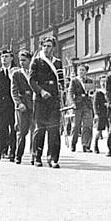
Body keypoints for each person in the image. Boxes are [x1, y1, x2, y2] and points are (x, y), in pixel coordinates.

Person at [29, 36, 63, 168]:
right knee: (40, 129)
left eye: (49, 46)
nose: (46, 49)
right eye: (44, 46)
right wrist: (41, 91)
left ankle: (53, 158)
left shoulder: (58, 62)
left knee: (54, 129)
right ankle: (37, 156)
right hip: (40, 100)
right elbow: (31, 80)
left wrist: (62, 97)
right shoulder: (37, 61)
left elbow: (61, 81)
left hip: (54, 99)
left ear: (53, 47)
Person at [0, 49, 17, 161]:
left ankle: (12, 153)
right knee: (1, 129)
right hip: (1, 104)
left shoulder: (16, 72)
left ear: (11, 58)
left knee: (14, 129)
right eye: (2, 57)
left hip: (14, 104)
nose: (4, 59)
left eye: (6, 56)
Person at [11, 50, 34, 165]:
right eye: (20, 60)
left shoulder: (35, 73)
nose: (22, 63)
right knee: (22, 132)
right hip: (22, 107)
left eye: (24, 60)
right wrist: (19, 103)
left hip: (34, 105)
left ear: (30, 60)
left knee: (35, 131)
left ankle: (34, 156)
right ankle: (18, 155)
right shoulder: (16, 74)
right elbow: (13, 91)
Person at [69, 63, 94, 153]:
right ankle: (73, 143)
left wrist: (91, 93)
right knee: (76, 126)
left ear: (86, 71)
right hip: (77, 105)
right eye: (80, 70)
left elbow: (92, 93)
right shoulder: (74, 81)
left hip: (87, 105)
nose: (81, 72)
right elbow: (70, 93)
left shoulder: (89, 80)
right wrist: (72, 103)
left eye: (83, 70)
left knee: (87, 126)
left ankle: (86, 145)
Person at [92, 76, 108, 154]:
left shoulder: (109, 91)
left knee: (110, 130)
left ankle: (109, 148)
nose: (104, 83)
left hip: (109, 112)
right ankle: (95, 145)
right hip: (101, 113)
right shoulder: (98, 92)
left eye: (105, 81)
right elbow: (95, 103)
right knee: (99, 130)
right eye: (102, 82)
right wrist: (96, 113)